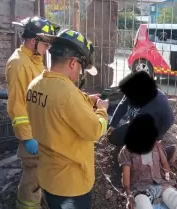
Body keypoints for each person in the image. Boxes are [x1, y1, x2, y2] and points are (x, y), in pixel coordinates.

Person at [26, 29, 108, 209]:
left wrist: (86, 100)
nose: (80, 73)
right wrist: (102, 111)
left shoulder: (35, 85)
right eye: (80, 67)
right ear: (72, 62)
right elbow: (95, 130)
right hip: (71, 184)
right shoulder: (68, 95)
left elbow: (59, 110)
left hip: (48, 176)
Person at [5, 16, 59, 209]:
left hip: (42, 130)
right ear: (33, 40)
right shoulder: (19, 63)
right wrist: (27, 137)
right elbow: (17, 105)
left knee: (40, 178)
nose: (47, 48)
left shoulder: (35, 60)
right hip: (32, 134)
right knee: (32, 180)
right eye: (45, 43)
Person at [119, 113, 177, 209]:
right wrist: (129, 195)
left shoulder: (156, 146)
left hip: (160, 185)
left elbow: (165, 165)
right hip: (140, 189)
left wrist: (167, 180)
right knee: (143, 205)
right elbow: (126, 179)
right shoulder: (127, 150)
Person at [108, 71, 176, 157]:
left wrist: (157, 136)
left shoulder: (159, 99)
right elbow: (122, 106)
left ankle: (167, 153)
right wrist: (112, 124)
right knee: (113, 137)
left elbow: (170, 120)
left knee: (139, 159)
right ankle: (124, 147)